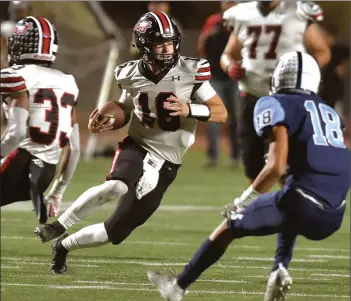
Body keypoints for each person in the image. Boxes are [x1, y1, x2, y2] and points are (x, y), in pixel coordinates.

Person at [147, 51, 350, 301]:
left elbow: (275, 166)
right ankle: (279, 268)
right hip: (335, 212)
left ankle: (177, 288)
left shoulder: (274, 103)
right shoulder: (330, 112)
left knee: (230, 224)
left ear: (278, 76)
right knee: (287, 200)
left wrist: (243, 200)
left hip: (304, 204)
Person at [34, 11, 227, 274]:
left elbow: (220, 112)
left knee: (115, 232)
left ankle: (63, 246)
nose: (167, 49)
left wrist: (188, 109)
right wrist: (106, 119)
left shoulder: (190, 71)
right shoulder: (130, 72)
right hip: (138, 145)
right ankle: (59, 224)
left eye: (170, 43)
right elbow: (124, 109)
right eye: (160, 43)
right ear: (144, 45)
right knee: (116, 187)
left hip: (168, 161)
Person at [220, 0, 331, 184]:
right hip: (253, 97)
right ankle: (256, 209)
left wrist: (306, 74)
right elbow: (227, 54)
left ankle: (288, 207)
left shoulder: (298, 10)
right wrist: (230, 66)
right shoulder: (241, 13)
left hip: (289, 100)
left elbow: (322, 51)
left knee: (288, 166)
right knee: (253, 166)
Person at [0, 16, 81, 223]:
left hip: (17, 162)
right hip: (46, 172)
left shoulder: (16, 76)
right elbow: (75, 148)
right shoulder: (68, 82)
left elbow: (16, 133)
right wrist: (57, 192)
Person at [198, 1, 240, 167]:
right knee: (213, 116)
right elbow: (202, 45)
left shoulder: (242, 21)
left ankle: (236, 157)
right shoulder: (214, 21)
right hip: (214, 76)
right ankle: (213, 156)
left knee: (236, 118)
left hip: (234, 77)